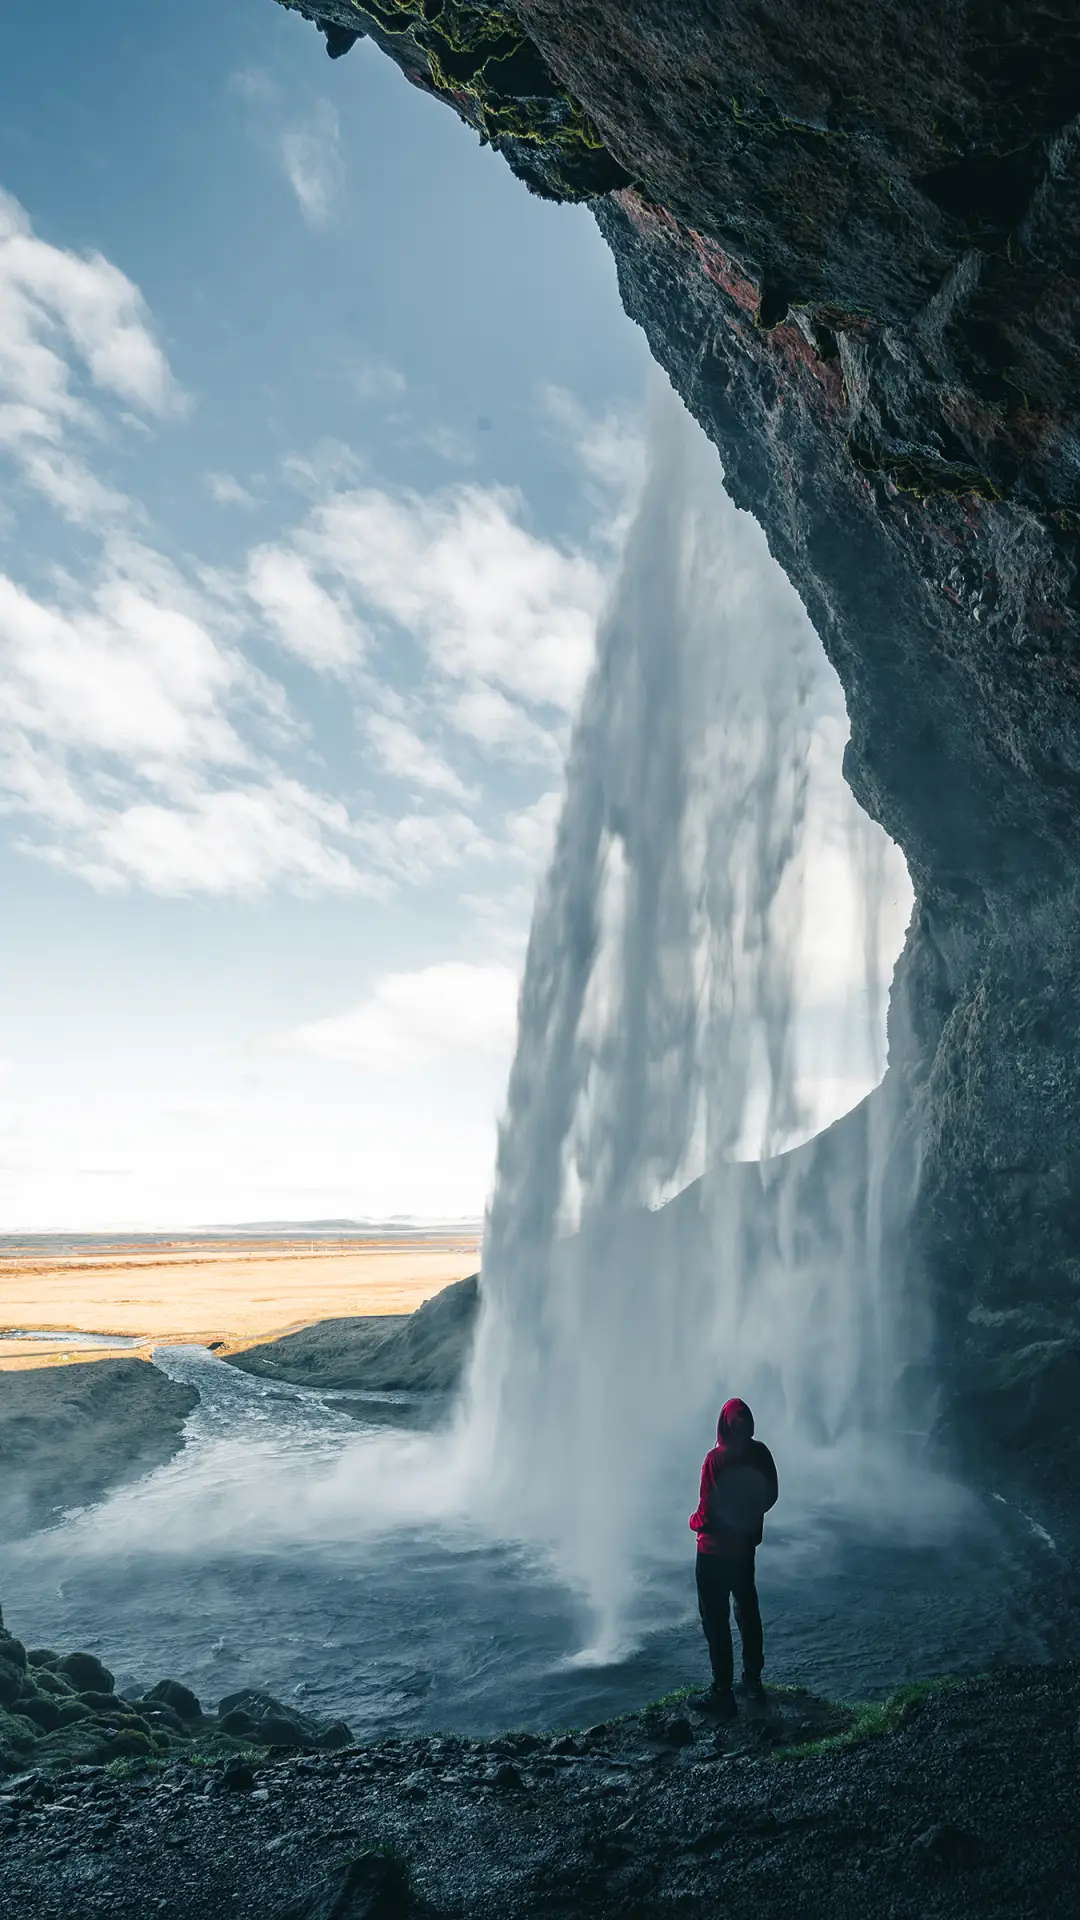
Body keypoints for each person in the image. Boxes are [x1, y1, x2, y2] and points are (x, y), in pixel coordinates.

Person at [689, 1397, 778, 1719]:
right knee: (748, 1614)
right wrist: (748, 1517)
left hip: (712, 1554)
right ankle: (752, 1682)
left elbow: (708, 1511)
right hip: (744, 1551)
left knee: (716, 1621)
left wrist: (694, 1522)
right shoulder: (760, 1454)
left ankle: (722, 1691)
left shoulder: (715, 1460)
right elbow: (771, 1495)